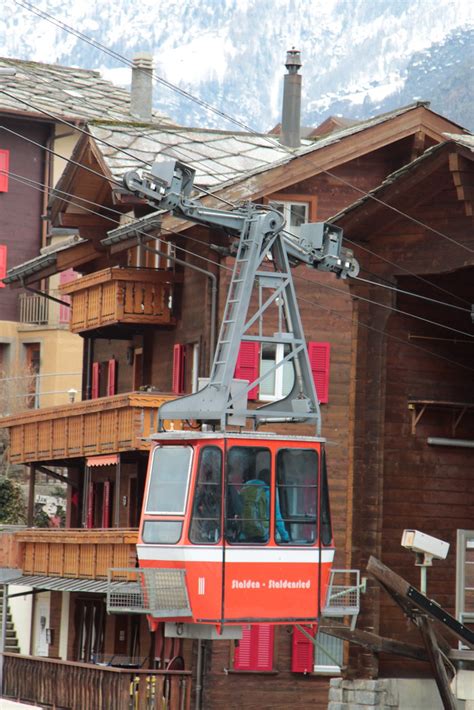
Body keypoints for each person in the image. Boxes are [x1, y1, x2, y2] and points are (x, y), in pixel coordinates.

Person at [239, 468, 290, 543]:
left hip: (245, 534)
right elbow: (276, 517)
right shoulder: (267, 493)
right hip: (263, 535)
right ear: (270, 480)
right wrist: (285, 537)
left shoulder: (244, 491)